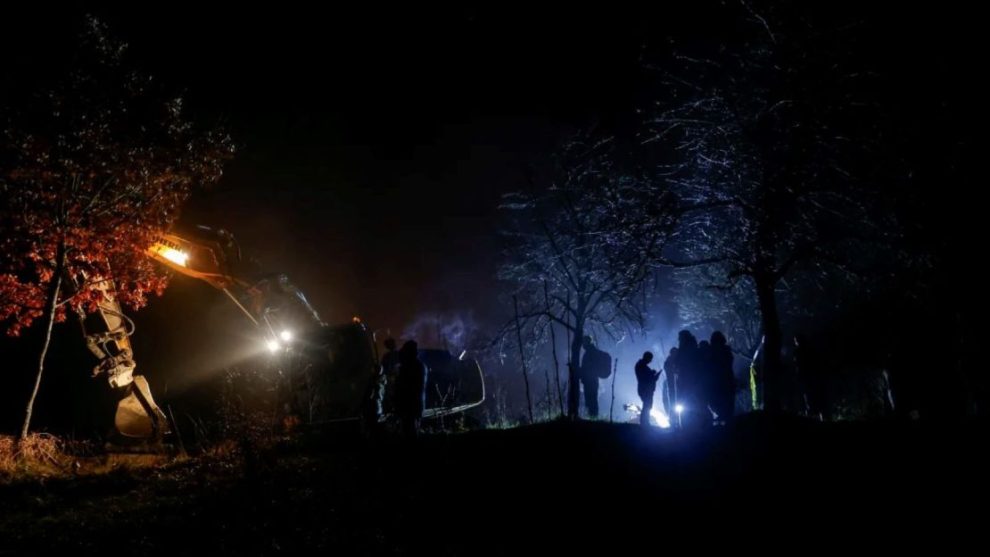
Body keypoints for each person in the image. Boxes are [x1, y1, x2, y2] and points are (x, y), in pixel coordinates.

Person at [396, 340, 427, 437]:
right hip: (414, 406)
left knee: (409, 433)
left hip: (410, 406)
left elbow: (406, 387)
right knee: (411, 432)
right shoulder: (419, 365)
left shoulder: (412, 366)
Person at [579, 335, 611, 418]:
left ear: (586, 342)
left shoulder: (590, 352)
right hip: (592, 380)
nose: (582, 344)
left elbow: (587, 367)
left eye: (583, 342)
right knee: (591, 400)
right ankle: (592, 418)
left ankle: (593, 418)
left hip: (590, 380)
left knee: (591, 400)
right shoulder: (591, 351)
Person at [709, 331, 735, 424]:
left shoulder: (714, 351)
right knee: (726, 402)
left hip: (719, 381)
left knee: (719, 401)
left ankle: (725, 418)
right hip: (726, 380)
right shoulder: (726, 351)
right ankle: (727, 420)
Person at [635, 352, 661, 426]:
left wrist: (653, 375)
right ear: (647, 358)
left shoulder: (642, 366)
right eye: (650, 359)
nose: (650, 361)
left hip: (646, 389)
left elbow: (651, 378)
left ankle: (645, 422)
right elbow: (646, 378)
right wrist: (652, 374)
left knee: (647, 405)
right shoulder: (641, 366)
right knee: (647, 405)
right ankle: (644, 422)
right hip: (645, 389)